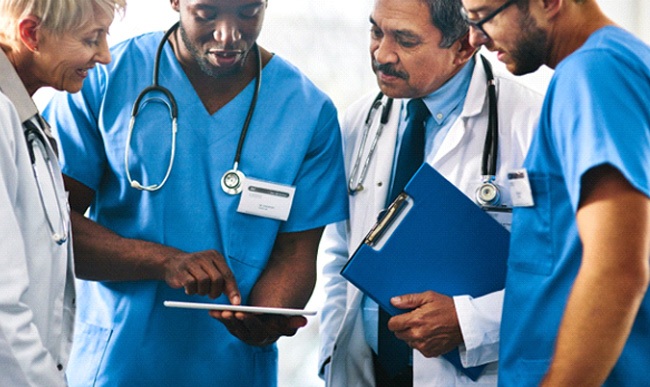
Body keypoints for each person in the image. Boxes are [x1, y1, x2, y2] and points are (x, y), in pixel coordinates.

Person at [42, 0, 348, 385]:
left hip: (234, 368)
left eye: (248, 12)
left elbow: (296, 254)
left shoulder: (306, 110)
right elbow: (50, 229)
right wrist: (164, 260)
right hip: (117, 362)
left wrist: (266, 316)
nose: (228, 34)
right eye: (207, 13)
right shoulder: (103, 77)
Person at [318, 0, 544, 385]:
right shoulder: (358, 122)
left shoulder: (530, 125)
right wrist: (330, 354)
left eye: (405, 40)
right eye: (376, 32)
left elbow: (566, 271)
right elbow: (342, 249)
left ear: (464, 46)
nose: (381, 54)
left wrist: (471, 323)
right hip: (369, 372)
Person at [460, 0, 650, 385]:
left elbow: (618, 268)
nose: (475, 37)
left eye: (483, 17)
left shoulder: (595, 73)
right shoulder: (619, 62)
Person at [0, 0, 125, 385]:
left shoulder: (25, 117)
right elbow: (3, 305)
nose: (104, 56)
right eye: (92, 39)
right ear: (31, 34)